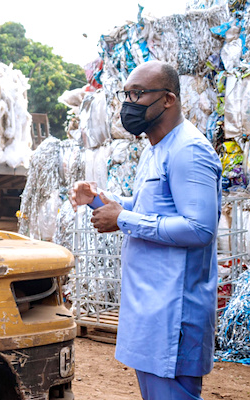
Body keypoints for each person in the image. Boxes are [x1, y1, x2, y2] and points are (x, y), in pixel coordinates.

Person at [69, 60, 222, 400]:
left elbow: (198, 229)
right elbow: (148, 207)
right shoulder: (155, 149)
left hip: (174, 314)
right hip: (152, 309)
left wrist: (121, 219)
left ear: (168, 99)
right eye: (127, 94)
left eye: (138, 94)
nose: (129, 104)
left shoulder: (189, 150)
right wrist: (99, 201)